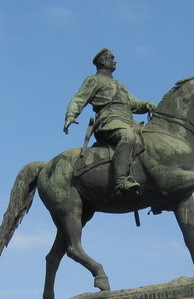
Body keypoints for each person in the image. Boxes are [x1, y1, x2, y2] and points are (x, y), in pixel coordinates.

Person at [64, 48, 155, 193]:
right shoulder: (94, 80)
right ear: (103, 61)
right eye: (112, 58)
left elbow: (134, 104)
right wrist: (71, 115)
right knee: (127, 136)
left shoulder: (120, 85)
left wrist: (146, 104)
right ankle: (120, 181)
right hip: (108, 121)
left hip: (128, 122)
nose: (115, 60)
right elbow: (79, 99)